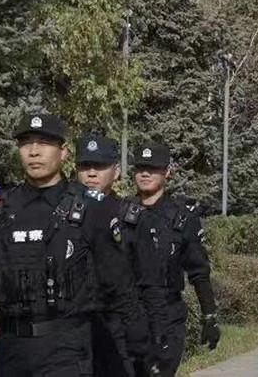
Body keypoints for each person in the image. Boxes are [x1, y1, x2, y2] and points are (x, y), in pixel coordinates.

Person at [0, 114, 146, 376]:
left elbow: (117, 282)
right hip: (10, 351)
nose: (34, 151)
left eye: (44, 143)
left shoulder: (90, 208)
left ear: (63, 152)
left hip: (67, 350)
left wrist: (138, 342)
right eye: (26, 143)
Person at [75, 135, 167, 377]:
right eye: (85, 166)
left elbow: (150, 284)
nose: (91, 173)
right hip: (73, 330)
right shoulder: (63, 216)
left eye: (99, 166)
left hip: (119, 329)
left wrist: (156, 336)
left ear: (116, 172)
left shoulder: (131, 218)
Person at [132, 142, 220, 375]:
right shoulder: (122, 213)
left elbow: (199, 271)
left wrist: (209, 314)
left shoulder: (181, 218)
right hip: (128, 315)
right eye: (140, 168)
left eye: (153, 169)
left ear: (167, 172)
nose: (145, 174)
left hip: (166, 316)